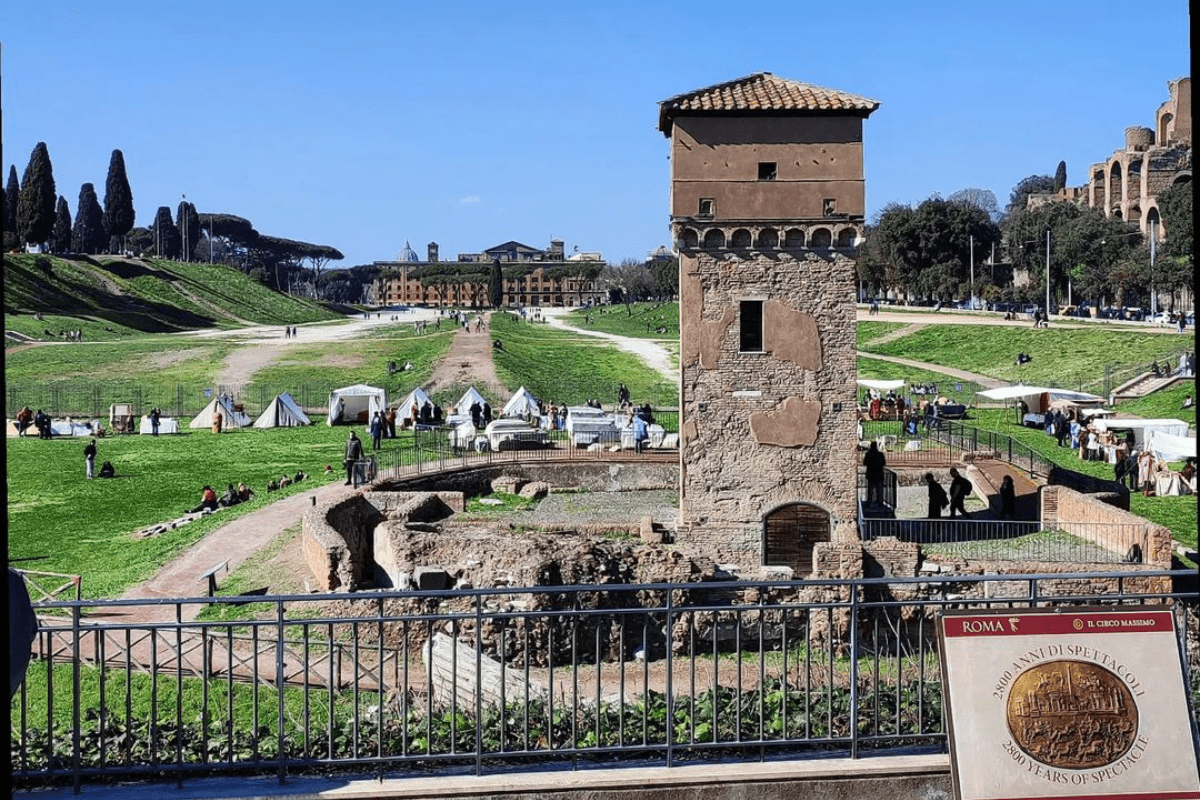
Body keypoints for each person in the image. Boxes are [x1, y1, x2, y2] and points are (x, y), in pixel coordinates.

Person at [863, 441, 886, 507]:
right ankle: (880, 502)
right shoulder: (880, 454)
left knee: (870, 489)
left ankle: (869, 501)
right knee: (879, 489)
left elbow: (864, 463)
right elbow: (884, 463)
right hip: (879, 474)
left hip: (870, 474)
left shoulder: (868, 454)